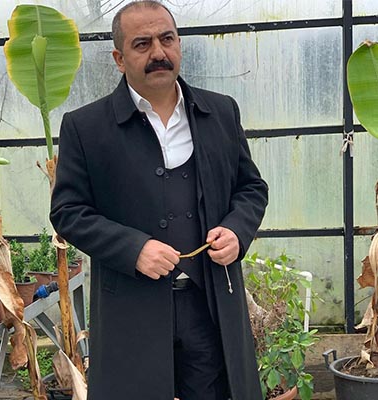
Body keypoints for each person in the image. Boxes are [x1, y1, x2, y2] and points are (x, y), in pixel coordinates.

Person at [50, 1, 268, 399]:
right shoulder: (85, 127)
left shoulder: (221, 112)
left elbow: (251, 187)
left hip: (210, 306)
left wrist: (237, 230)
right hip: (130, 310)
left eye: (167, 39)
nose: (158, 52)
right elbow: (68, 212)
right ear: (119, 59)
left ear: (179, 44)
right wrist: (133, 249)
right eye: (142, 44)